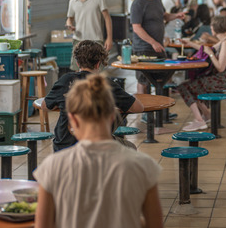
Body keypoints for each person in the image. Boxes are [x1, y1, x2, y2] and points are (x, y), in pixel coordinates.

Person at [34, 74, 163, 228]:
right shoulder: (144, 166)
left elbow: (43, 224)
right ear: (111, 116)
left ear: (73, 120)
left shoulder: (52, 167)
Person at [44, 40, 144, 152]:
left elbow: (45, 105)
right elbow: (138, 107)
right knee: (131, 147)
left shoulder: (64, 80)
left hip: (62, 147)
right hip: (95, 147)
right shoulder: (105, 84)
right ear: (98, 64)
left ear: (77, 63)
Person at [177, 16, 226, 131]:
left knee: (183, 87)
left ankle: (200, 121)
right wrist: (188, 43)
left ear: (214, 28)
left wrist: (210, 54)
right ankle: (207, 115)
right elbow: (204, 49)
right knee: (191, 85)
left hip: (223, 80)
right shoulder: (225, 41)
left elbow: (220, 67)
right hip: (221, 78)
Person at [130, 0, 185, 94]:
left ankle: (161, 109)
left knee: (162, 77)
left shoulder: (157, 0)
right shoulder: (138, 4)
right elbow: (137, 28)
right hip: (143, 48)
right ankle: (144, 110)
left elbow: (164, 16)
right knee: (143, 80)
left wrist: (176, 16)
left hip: (158, 46)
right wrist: (152, 42)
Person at [66, 0, 113, 70]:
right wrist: (69, 25)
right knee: (77, 70)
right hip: (78, 41)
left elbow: (107, 18)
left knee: (97, 69)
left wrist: (109, 38)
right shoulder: (72, 1)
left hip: (95, 40)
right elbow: (69, 18)